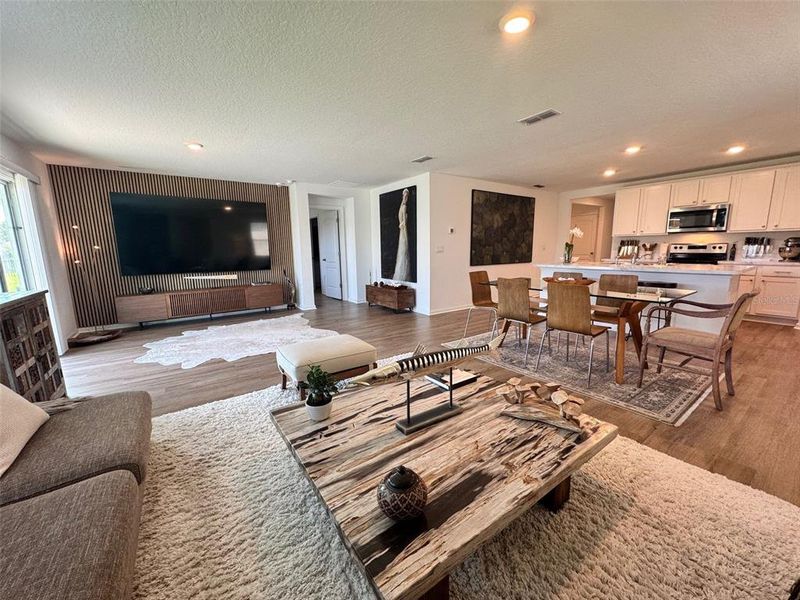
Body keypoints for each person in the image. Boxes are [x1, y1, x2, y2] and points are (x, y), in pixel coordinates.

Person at [392, 189, 411, 281]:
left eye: (406, 196)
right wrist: (403, 224)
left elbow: (402, 219)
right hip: (403, 230)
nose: (405, 198)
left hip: (404, 230)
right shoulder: (403, 207)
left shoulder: (403, 207)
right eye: (405, 196)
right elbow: (402, 218)